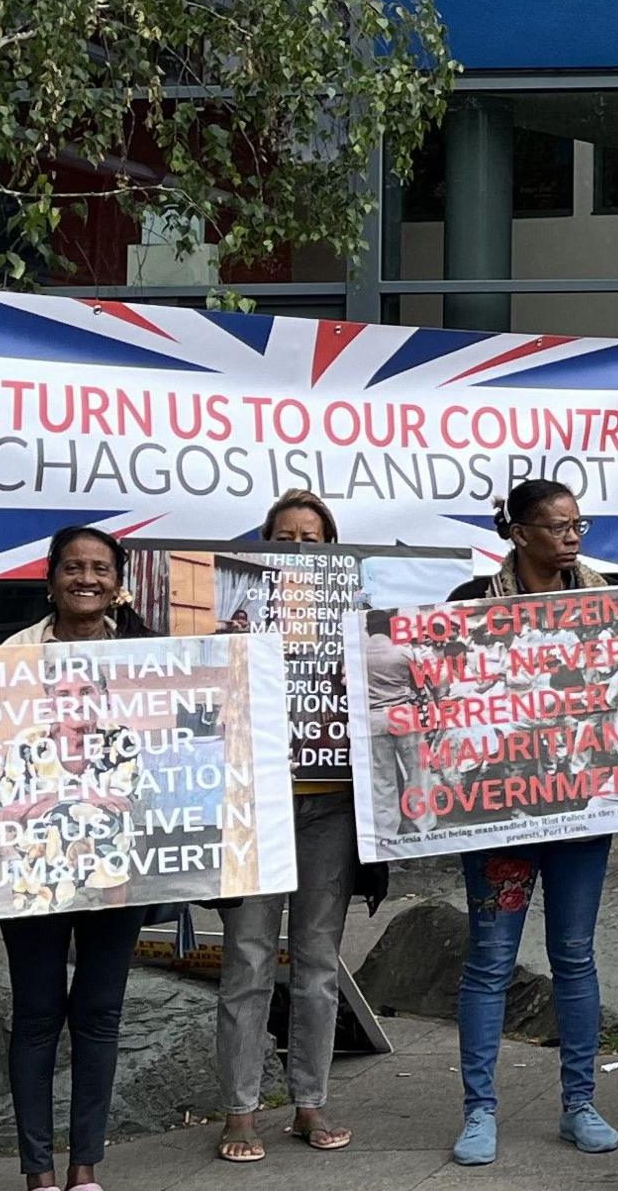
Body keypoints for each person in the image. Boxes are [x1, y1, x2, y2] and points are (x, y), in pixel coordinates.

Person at [445, 479, 618, 1167]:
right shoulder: (468, 608)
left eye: (579, 523)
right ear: (518, 534)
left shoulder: (613, 602)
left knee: (574, 956)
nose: (574, 535)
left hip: (582, 810)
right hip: (501, 819)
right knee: (491, 960)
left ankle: (579, 1103)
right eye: (558, 525)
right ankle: (479, 1112)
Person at [0, 526, 162, 1191]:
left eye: (99, 568)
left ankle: (85, 1166)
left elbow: (160, 774)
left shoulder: (148, 659)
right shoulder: (7, 657)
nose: (85, 578)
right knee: (37, 1013)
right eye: (72, 567)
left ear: (117, 581)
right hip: (31, 872)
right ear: (51, 577)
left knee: (100, 1011)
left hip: (113, 870)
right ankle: (37, 1170)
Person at [214, 492, 364, 1164]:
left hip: (329, 805)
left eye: (314, 538)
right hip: (255, 805)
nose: (301, 549)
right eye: (287, 537)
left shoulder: (358, 619)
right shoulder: (233, 615)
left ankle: (310, 1101)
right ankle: (239, 1112)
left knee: (317, 963)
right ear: (264, 548)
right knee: (247, 958)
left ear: (332, 551)